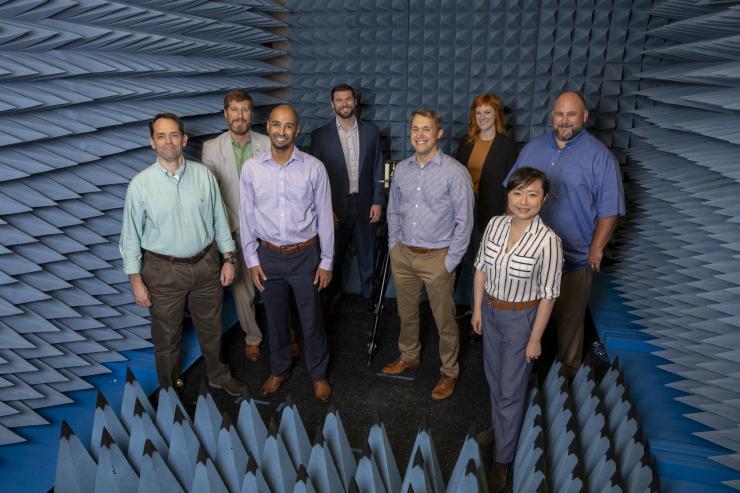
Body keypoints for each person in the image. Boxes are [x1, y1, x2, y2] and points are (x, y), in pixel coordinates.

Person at [120, 113, 245, 396]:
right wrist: (136, 281)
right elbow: (130, 238)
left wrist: (229, 258)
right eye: (161, 136)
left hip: (206, 265)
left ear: (184, 139)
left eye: (174, 134)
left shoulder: (204, 176)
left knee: (212, 328)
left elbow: (219, 221)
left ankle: (218, 375)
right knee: (166, 338)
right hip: (163, 271)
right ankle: (171, 388)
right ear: (152, 142)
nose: (168, 141)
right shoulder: (140, 185)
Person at [505, 91, 625, 378]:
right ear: (552, 116)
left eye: (572, 114)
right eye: (560, 114)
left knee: (570, 328)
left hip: (573, 261)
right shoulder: (532, 149)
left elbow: (610, 211)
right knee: (527, 324)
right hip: (528, 259)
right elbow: (512, 194)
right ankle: (525, 377)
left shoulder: (600, 157)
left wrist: (596, 249)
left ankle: (568, 386)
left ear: (584, 116)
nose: (565, 120)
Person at [472, 167, 562, 492]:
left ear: (544, 198)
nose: (524, 201)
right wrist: (478, 309)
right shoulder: (496, 224)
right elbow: (481, 268)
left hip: (522, 319)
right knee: (494, 378)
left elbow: (549, 295)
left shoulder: (549, 241)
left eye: (532, 194)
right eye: (517, 193)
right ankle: (500, 428)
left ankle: (502, 459)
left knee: (511, 390)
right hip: (492, 312)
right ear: (508, 195)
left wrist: (535, 338)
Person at [239, 104, 334, 402]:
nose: (282, 131)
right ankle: (279, 369)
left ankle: (318, 374)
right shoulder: (251, 168)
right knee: (275, 319)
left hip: (305, 255)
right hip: (267, 256)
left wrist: (327, 260)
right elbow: (246, 217)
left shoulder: (314, 167)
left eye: (288, 126)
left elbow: (324, 215)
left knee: (312, 319)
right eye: (277, 125)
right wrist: (252, 260)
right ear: (268, 127)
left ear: (297, 129)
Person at [382, 108, 474, 401]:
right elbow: (393, 209)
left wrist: (450, 261)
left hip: (438, 257)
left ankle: (449, 371)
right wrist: (394, 245)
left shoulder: (455, 172)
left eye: (426, 129)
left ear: (439, 133)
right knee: (406, 313)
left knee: (444, 319)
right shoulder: (403, 170)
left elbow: (465, 220)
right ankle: (409, 355)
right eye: (415, 129)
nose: (420, 135)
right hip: (404, 254)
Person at [201, 90, 270, 362]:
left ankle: (286, 331)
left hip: (268, 229)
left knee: (277, 284)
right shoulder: (211, 148)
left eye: (245, 110)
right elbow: (212, 195)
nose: (240, 116)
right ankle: (253, 337)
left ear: (251, 114)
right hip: (234, 229)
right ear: (226, 113)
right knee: (243, 290)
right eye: (234, 110)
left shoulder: (267, 143)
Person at [310, 84, 384, 314]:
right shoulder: (320, 136)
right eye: (339, 100)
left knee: (367, 255)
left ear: (355, 102)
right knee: (333, 256)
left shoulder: (371, 132)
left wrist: (378, 200)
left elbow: (379, 168)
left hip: (365, 204)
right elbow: (314, 179)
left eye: (348, 99)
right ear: (332, 104)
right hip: (334, 209)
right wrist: (323, 210)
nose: (344, 103)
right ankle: (331, 299)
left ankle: (369, 297)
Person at [455, 93, 519, 318]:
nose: (482, 117)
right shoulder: (465, 142)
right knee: (462, 259)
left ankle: (479, 312)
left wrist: (507, 217)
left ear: (497, 115)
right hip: (463, 212)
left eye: (487, 113)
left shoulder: (509, 147)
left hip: (491, 214)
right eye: (478, 113)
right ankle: (465, 307)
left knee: (482, 265)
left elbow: (511, 186)